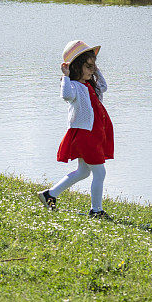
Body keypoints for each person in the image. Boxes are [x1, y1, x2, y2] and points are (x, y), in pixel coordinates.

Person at [37, 40, 114, 219]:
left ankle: (50, 194)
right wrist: (65, 75)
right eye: (88, 66)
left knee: (84, 171)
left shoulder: (90, 85)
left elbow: (104, 86)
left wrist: (95, 68)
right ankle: (96, 211)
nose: (92, 70)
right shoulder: (74, 87)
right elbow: (66, 95)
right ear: (76, 67)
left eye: (93, 66)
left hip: (93, 134)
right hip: (86, 135)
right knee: (100, 172)